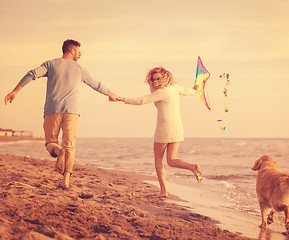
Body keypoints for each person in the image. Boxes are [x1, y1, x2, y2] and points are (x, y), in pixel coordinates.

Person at [4, 39, 119, 189]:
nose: (79, 55)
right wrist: (111, 94)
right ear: (71, 51)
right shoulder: (79, 69)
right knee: (70, 147)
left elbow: (32, 74)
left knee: (51, 143)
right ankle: (65, 181)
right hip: (71, 112)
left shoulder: (50, 64)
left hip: (52, 110)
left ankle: (59, 154)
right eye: (79, 52)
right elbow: (96, 84)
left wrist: (15, 91)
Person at [119, 67, 203, 198]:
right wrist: (196, 89)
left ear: (165, 77)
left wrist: (121, 99)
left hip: (164, 129)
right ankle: (192, 167)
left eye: (158, 78)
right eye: (153, 79)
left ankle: (163, 191)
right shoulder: (175, 88)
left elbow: (142, 100)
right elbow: (189, 92)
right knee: (171, 160)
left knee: (158, 159)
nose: (156, 81)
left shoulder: (161, 92)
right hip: (177, 128)